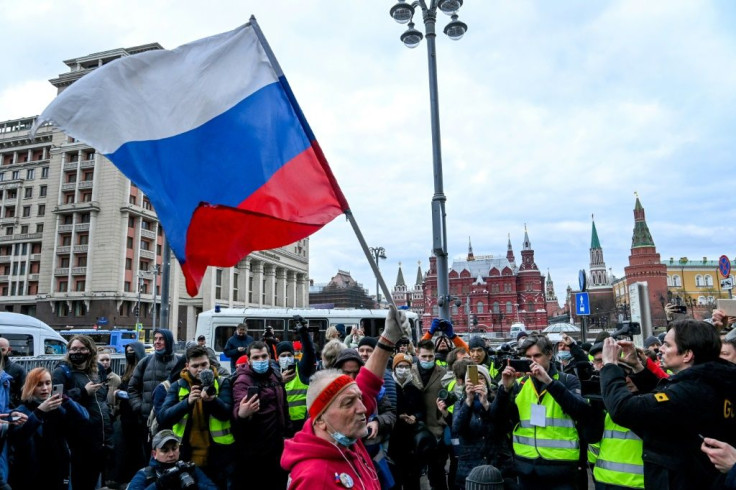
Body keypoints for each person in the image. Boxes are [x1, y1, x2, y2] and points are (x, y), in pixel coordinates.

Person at [281, 305, 408, 489]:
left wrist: (388, 339)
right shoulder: (315, 478)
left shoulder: (344, 440)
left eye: (359, 399)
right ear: (321, 420)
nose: (363, 408)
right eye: (349, 402)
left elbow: (368, 384)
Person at [600, 319, 736, 489]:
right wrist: (638, 368)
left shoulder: (693, 390)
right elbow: (667, 403)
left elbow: (623, 409)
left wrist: (610, 366)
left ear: (687, 355)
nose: (661, 350)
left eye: (667, 345)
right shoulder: (712, 381)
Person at [492, 334, 591, 490]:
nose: (532, 361)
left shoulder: (567, 380)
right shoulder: (519, 384)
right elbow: (497, 419)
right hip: (527, 467)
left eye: (537, 356)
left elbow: (582, 412)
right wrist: (504, 389)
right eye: (528, 357)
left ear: (549, 354)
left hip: (561, 468)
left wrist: (549, 382)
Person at [158, 345, 234, 486]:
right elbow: (163, 417)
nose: (200, 369)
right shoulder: (178, 386)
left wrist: (212, 401)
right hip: (186, 453)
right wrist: (187, 402)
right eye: (195, 366)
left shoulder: (222, 382)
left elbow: (227, 414)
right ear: (187, 366)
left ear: (210, 363)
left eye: (204, 364)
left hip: (218, 455)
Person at [8, 367, 89, 490]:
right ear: (30, 386)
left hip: (60, 471)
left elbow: (84, 418)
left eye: (48, 383)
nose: (45, 388)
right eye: (39, 384)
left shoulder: (58, 407)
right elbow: (19, 438)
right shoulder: (21, 410)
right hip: (33, 475)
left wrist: (66, 400)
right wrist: (39, 412)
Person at [52, 334, 113, 490]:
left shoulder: (98, 369)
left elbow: (102, 400)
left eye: (82, 349)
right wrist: (83, 392)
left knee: (95, 480)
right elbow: (56, 399)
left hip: (101, 436)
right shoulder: (62, 372)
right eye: (73, 349)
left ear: (90, 351)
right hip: (78, 439)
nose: (77, 352)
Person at [232, 341, 290, 489]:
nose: (261, 361)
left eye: (264, 356)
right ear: (248, 360)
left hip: (277, 446)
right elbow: (239, 405)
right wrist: (242, 413)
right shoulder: (243, 380)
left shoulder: (275, 376)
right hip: (255, 451)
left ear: (270, 356)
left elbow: (283, 406)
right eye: (256, 357)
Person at [129, 329, 181, 445]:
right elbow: (132, 388)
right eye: (155, 339)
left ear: (168, 341)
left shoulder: (179, 362)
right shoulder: (145, 362)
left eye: (161, 339)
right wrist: (140, 407)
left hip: (173, 418)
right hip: (148, 420)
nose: (157, 342)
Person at [413, 338, 450, 490]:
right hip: (416, 431)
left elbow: (449, 399)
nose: (428, 360)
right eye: (424, 356)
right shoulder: (410, 371)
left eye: (430, 356)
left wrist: (443, 419)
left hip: (436, 429)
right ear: (417, 354)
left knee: (437, 474)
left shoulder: (443, 373)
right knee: (415, 473)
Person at [127, 429, 217, 490]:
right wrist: (158, 485)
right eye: (165, 450)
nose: (171, 454)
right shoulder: (145, 474)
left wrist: (193, 485)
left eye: (174, 449)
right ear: (154, 454)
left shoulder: (190, 469)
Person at [113, 341, 148, 485]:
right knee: (127, 449)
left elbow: (137, 392)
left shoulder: (144, 369)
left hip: (137, 415)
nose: (129, 354)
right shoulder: (127, 370)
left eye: (132, 351)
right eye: (127, 351)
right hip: (126, 417)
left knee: (138, 449)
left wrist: (120, 393)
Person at [389, 352, 425, 490]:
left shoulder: (415, 388)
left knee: (412, 480)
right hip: (394, 440)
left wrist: (415, 417)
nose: (403, 369)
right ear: (394, 368)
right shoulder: (389, 387)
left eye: (406, 366)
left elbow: (422, 410)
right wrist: (398, 417)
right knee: (395, 479)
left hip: (412, 442)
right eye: (400, 366)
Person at [277, 320, 317, 435]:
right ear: (277, 358)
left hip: (302, 423)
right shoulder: (274, 373)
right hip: (282, 423)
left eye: (289, 355)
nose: (286, 358)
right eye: (283, 356)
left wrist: (304, 333)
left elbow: (309, 352)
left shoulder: (300, 369)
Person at [0, 338, 25, 408]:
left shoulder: (18, 369)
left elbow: (23, 394)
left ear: (9, 350)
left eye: (2, 350)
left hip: (10, 410)